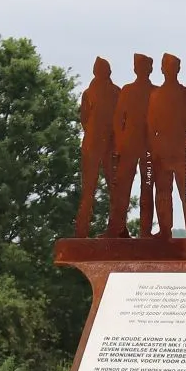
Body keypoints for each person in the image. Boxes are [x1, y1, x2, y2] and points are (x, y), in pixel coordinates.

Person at [148, 54, 186, 239]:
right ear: (162, 69)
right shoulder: (155, 96)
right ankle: (165, 229)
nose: (169, 69)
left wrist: (178, 124)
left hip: (181, 145)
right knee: (163, 190)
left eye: (172, 66)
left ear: (178, 69)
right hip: (163, 147)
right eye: (166, 66)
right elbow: (151, 122)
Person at [109, 54, 155, 239]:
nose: (140, 69)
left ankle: (145, 231)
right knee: (124, 189)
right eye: (139, 66)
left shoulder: (155, 92)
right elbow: (118, 119)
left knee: (147, 187)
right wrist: (119, 145)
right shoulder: (127, 91)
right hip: (130, 147)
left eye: (143, 66)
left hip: (148, 148)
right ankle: (119, 229)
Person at [74, 57, 117, 238]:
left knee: (110, 188)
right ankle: (83, 229)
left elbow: (85, 119)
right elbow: (85, 119)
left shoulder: (111, 93)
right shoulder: (92, 93)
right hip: (98, 144)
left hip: (106, 145)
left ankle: (115, 228)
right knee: (93, 189)